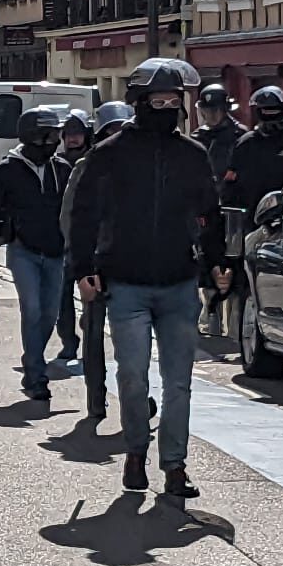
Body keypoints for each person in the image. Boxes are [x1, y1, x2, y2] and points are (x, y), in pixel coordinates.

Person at [68, 59, 227, 500]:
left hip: (179, 281)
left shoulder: (193, 155)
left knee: (179, 382)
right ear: (138, 103)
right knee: (133, 376)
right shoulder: (110, 153)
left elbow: (210, 214)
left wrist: (217, 263)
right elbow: (84, 215)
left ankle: (175, 465)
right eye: (157, 101)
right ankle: (136, 450)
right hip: (127, 282)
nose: (166, 107)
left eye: (173, 101)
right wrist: (83, 269)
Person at [0, 104, 73, 403]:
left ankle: (32, 358)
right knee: (31, 309)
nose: (54, 142)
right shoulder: (6, 171)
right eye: (48, 136)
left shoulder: (63, 170)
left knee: (50, 313)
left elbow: (76, 211)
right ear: (32, 136)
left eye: (56, 135)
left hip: (57, 252)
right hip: (23, 250)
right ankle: (36, 375)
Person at [220, 85, 283, 338]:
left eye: (276, 112)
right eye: (266, 112)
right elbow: (229, 189)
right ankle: (245, 334)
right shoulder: (245, 145)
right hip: (251, 226)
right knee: (245, 282)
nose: (271, 119)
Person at [62, 102, 133, 419]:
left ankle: (135, 398)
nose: (116, 136)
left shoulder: (142, 165)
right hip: (96, 263)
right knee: (92, 331)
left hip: (131, 264)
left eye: (122, 129)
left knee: (132, 337)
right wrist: (80, 263)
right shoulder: (88, 166)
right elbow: (70, 216)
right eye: (110, 131)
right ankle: (96, 395)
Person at [193, 83, 245, 338]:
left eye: (216, 109)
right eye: (207, 110)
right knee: (204, 260)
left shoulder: (240, 138)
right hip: (204, 210)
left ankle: (233, 324)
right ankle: (209, 313)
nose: (211, 115)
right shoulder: (197, 139)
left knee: (233, 263)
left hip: (234, 211)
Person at [51, 109, 93, 363]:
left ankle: (90, 336)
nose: (73, 139)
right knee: (62, 298)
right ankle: (69, 340)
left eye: (77, 134)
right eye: (68, 134)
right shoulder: (57, 164)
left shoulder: (95, 161)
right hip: (63, 240)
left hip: (90, 239)